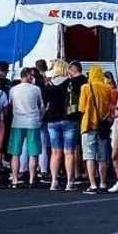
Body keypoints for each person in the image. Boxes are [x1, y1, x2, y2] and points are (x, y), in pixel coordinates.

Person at [2, 67, 43, 188]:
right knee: (33, 153)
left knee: (15, 153)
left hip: (17, 122)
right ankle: (31, 179)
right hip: (33, 123)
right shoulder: (36, 89)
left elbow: (10, 104)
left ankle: (14, 179)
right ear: (29, 76)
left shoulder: (13, 90)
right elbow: (41, 105)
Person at [78, 65, 114, 194]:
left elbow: (81, 108)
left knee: (89, 156)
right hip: (102, 125)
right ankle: (103, 183)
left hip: (88, 125)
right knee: (102, 157)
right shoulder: (107, 88)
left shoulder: (86, 88)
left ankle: (93, 184)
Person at [42, 60, 77, 191]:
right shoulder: (70, 82)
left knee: (55, 152)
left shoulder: (49, 84)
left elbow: (44, 101)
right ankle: (69, 182)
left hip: (52, 119)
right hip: (68, 118)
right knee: (69, 152)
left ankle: (54, 181)